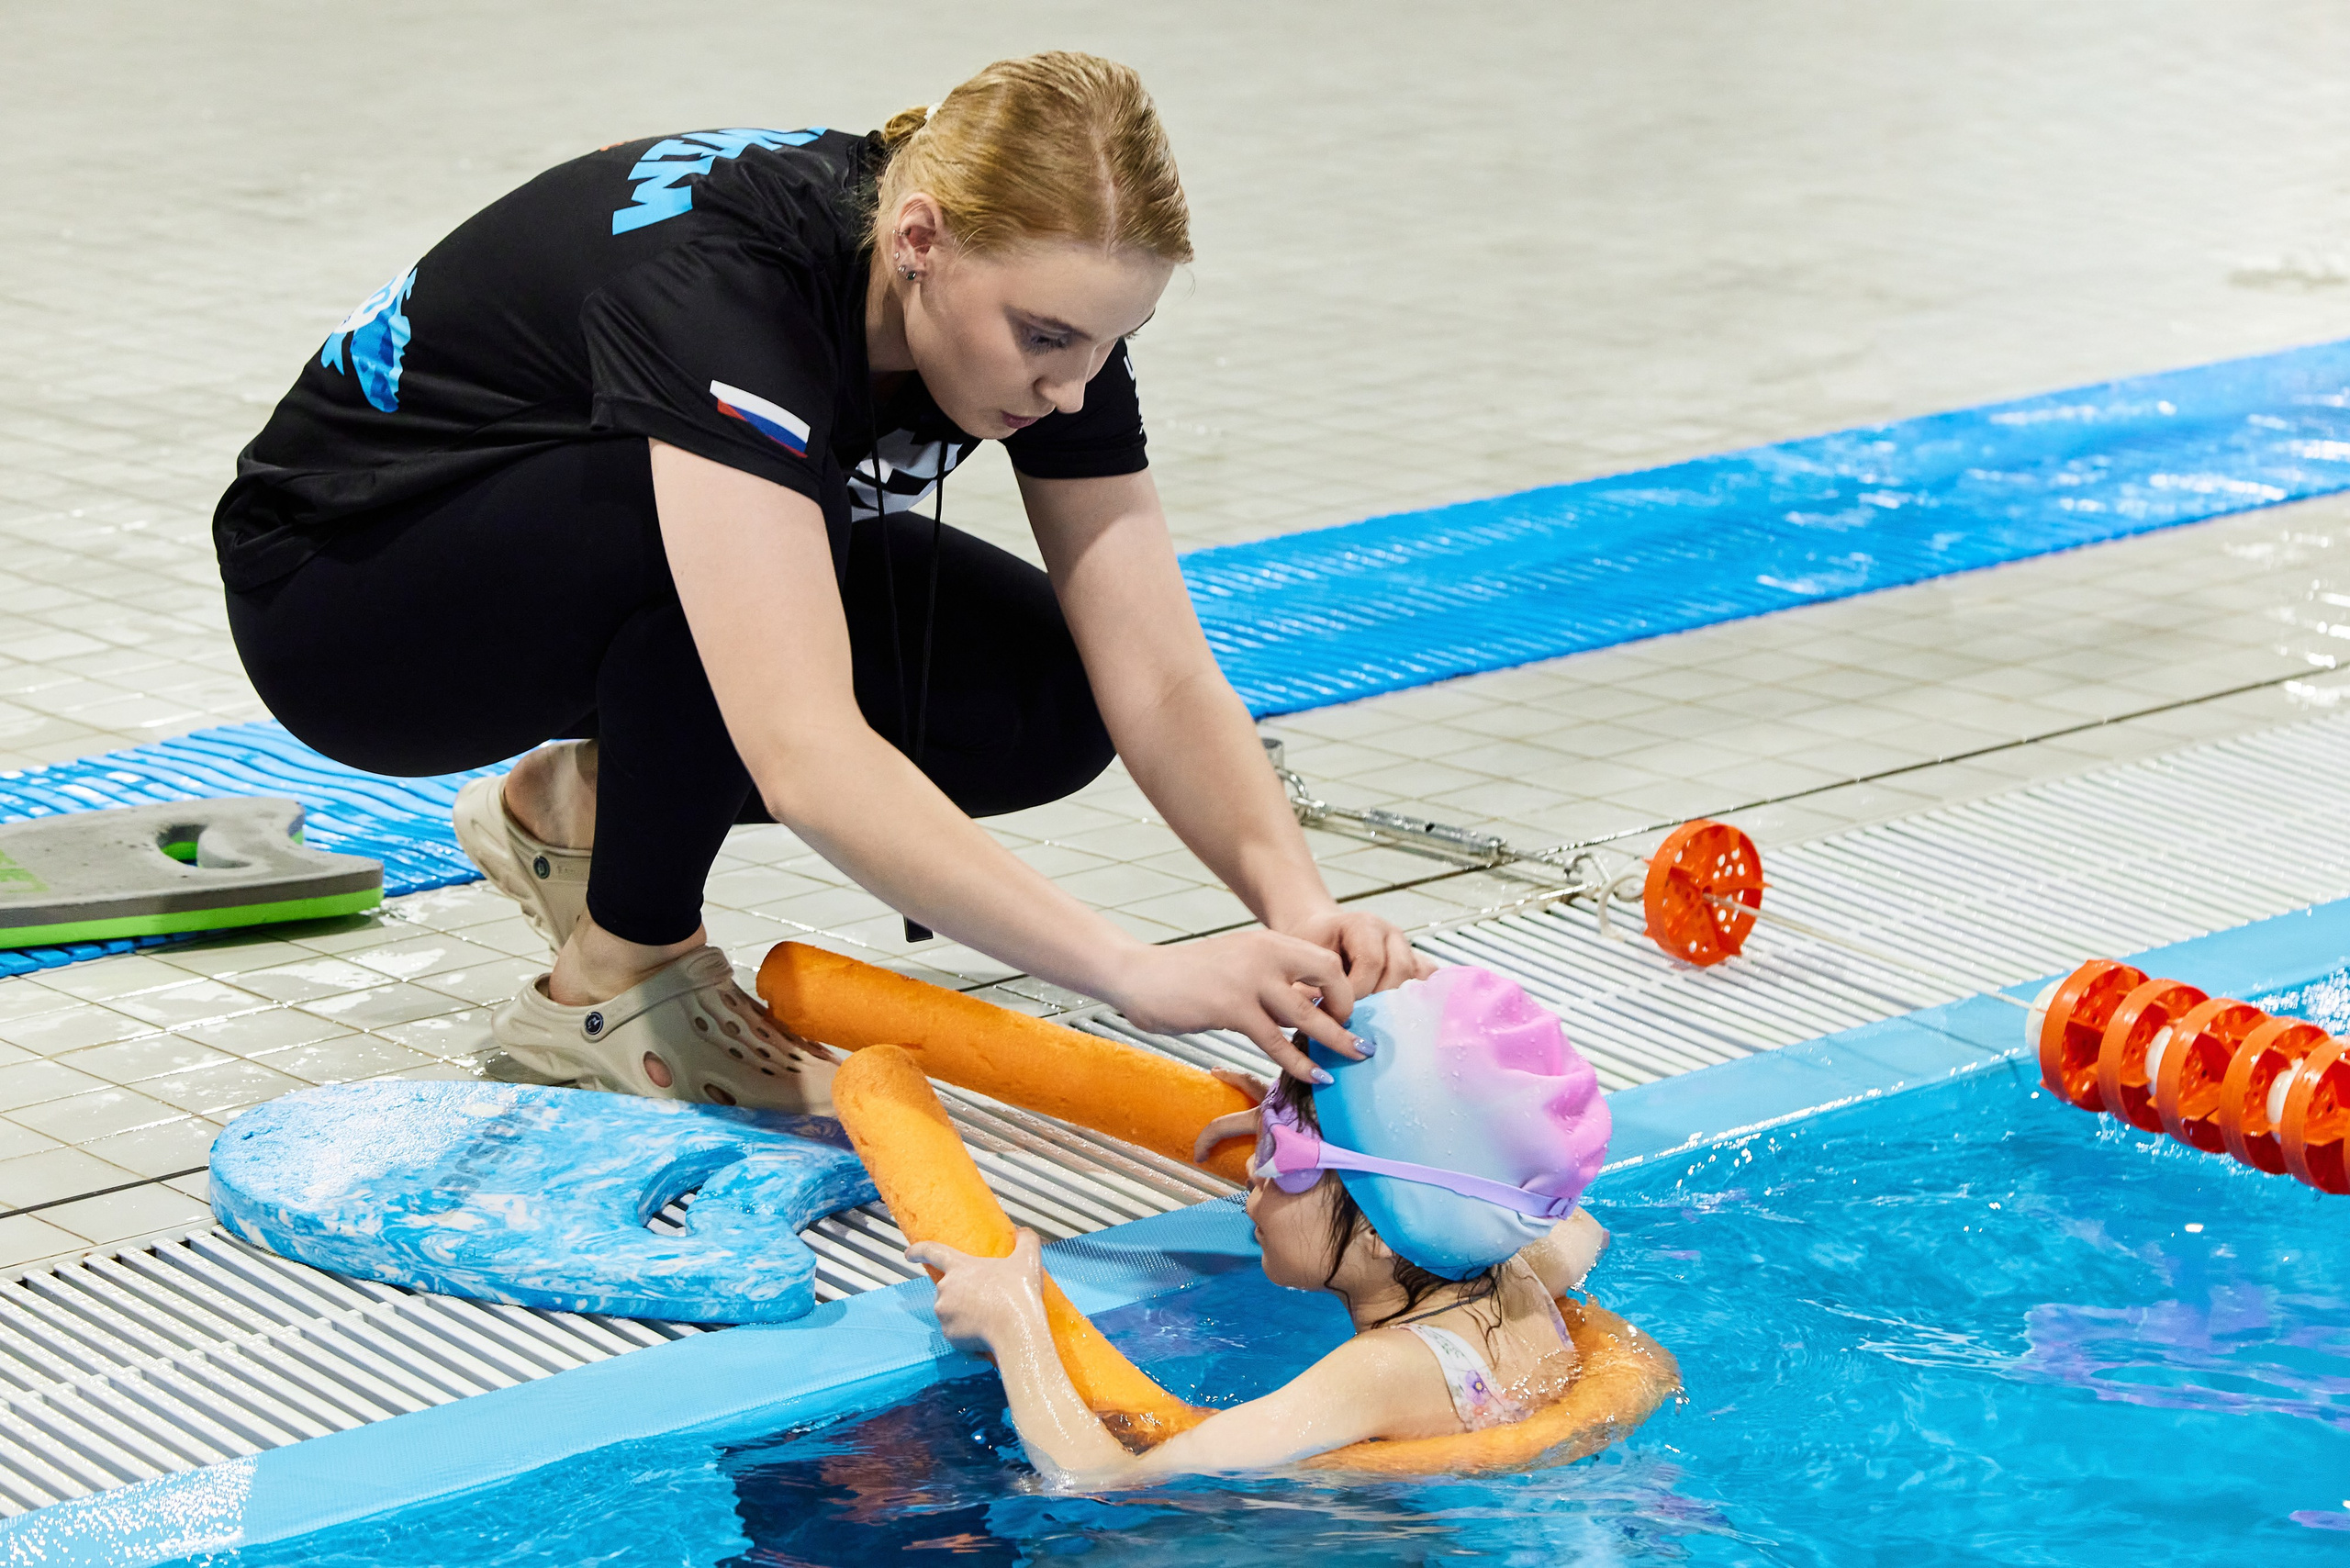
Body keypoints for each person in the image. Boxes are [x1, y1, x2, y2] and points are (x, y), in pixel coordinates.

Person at [212, 52, 1430, 1107]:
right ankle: (610, 989)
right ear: (918, 242)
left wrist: (1294, 903)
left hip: (544, 550)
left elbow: (1156, 675)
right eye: (1048, 339)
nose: (1071, 388)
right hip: (350, 602)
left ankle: (580, 811)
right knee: (735, 525)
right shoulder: (728, 300)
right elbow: (803, 749)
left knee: (1043, 698)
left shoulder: (1030, 303)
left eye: (1115, 341)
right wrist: (1133, 970)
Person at [915, 966, 1615, 1480]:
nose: (1253, 1172)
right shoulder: (1519, 1260)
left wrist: (1013, 1322)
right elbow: (1572, 1221)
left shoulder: (1381, 1371)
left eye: (1285, 1158)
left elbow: (1096, 1479)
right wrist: (1309, 1124)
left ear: (1379, 1230)